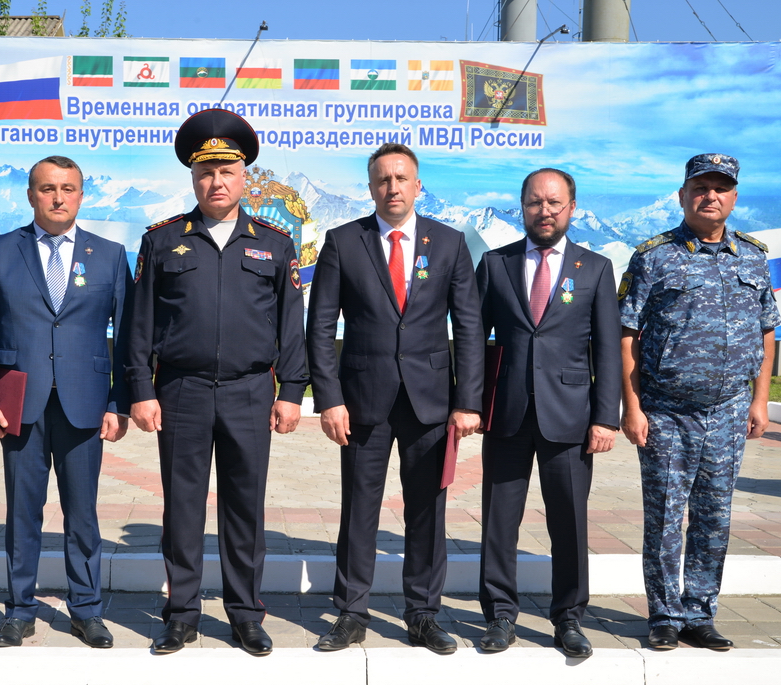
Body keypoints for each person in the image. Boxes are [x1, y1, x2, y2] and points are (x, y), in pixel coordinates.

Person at [127, 109, 308, 656]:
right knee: (181, 506)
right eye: (206, 172)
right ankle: (180, 613)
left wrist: (293, 392)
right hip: (180, 390)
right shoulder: (162, 243)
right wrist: (140, 388)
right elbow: (139, 325)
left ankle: (246, 614)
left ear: (245, 175)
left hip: (250, 392)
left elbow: (289, 326)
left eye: (227, 170)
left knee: (244, 507)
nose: (217, 182)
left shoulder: (275, 244)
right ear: (192, 177)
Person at [306, 142, 484, 655]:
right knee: (358, 508)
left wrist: (467, 400)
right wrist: (329, 398)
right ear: (370, 187)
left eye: (402, 178)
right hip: (362, 400)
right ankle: (351, 612)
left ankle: (423, 614)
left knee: (427, 510)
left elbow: (469, 327)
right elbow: (320, 326)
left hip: (430, 401)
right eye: (383, 180)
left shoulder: (448, 243)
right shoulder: (344, 241)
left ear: (418, 185)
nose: (393, 188)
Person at [0, 155, 132, 648]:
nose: (58, 198)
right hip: (19, 403)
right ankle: (19, 609)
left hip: (85, 401)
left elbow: (127, 338)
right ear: (30, 194)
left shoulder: (110, 254)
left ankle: (86, 609)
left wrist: (119, 402)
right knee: (22, 511)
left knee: (84, 514)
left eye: (69, 188)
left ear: (82, 195)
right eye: (47, 189)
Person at [620, 153, 780, 652]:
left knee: (715, 517)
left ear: (734, 197)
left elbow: (767, 331)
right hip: (666, 411)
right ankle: (664, 614)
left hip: (730, 411)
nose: (710, 195)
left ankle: (699, 612)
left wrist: (759, 400)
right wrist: (632, 405)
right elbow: (627, 334)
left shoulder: (751, 257)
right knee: (665, 516)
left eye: (720, 188)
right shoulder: (654, 256)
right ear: (683, 194)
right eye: (700, 187)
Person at [475, 168, 621, 658]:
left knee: (568, 522)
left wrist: (606, 417)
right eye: (535, 202)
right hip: (507, 414)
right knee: (500, 521)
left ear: (572, 208)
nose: (545, 211)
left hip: (572, 418)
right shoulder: (496, 264)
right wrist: (469, 404)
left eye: (555, 203)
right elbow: (473, 342)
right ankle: (498, 614)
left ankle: (569, 618)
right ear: (522, 206)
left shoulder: (596, 269)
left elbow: (606, 348)